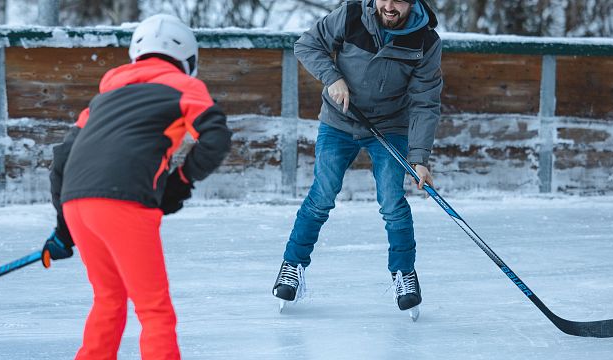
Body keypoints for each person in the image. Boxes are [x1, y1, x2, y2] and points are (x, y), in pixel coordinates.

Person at [40, 14, 232, 360]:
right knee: (154, 310)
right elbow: (215, 137)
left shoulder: (103, 99)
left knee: (108, 299)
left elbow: (62, 159)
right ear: (188, 59)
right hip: (124, 203)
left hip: (76, 203)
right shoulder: (184, 86)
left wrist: (64, 226)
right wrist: (181, 182)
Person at [272, 0, 443, 317]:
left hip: (390, 126)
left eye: (400, 0)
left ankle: (404, 274)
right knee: (322, 194)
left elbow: (425, 101)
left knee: (393, 202)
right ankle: (292, 266)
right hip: (339, 120)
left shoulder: (425, 41)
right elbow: (307, 45)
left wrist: (419, 157)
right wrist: (332, 77)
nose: (390, 6)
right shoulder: (351, 15)